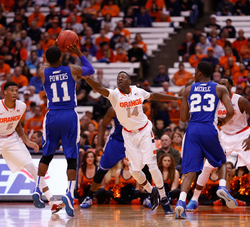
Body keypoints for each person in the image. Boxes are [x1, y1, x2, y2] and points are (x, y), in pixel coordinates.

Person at [83, 72, 182, 216]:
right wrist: (87, 78)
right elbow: (100, 89)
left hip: (144, 131)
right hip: (128, 135)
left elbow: (153, 95)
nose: (120, 79)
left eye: (123, 77)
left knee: (152, 165)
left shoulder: (138, 91)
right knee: (135, 171)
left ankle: (164, 198)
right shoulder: (115, 95)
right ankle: (151, 191)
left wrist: (176, 98)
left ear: (129, 80)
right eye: (117, 78)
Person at [186, 76, 250, 213]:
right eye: (219, 83)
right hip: (223, 136)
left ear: (230, 86)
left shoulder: (240, 100)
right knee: (207, 167)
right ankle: (194, 199)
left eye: (224, 83)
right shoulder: (215, 100)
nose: (221, 85)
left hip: (242, 135)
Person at [32, 42, 95, 217]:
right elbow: (90, 70)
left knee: (47, 154)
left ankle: (37, 188)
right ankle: (68, 192)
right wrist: (79, 53)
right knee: (72, 157)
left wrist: (54, 49)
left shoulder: (42, 72)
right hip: (69, 115)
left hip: (52, 116)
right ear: (61, 58)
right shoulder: (72, 69)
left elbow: (45, 64)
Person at [175, 62, 238, 219]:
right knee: (222, 161)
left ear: (200, 73)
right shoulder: (220, 88)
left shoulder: (188, 89)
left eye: (195, 72)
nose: (194, 74)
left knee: (191, 171)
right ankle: (222, 186)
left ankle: (181, 202)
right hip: (209, 128)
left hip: (192, 130)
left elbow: (183, 118)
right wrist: (222, 120)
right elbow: (231, 111)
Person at [0, 81, 63, 214]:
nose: (15, 93)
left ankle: (51, 201)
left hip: (12, 139)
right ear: (4, 92)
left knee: (32, 168)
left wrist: (26, 141)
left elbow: (17, 124)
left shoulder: (21, 106)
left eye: (16, 90)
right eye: (11, 90)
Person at [80, 107, 126, 208]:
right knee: (102, 170)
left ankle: (149, 196)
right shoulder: (114, 109)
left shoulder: (138, 106)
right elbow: (102, 125)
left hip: (132, 140)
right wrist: (99, 145)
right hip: (115, 141)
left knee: (143, 167)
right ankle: (89, 197)